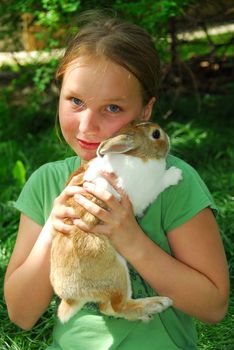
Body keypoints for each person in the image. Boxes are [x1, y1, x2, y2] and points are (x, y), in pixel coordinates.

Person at [4, 10, 229, 350]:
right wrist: (52, 228)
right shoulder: (47, 183)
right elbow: (21, 314)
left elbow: (213, 307)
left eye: (112, 108)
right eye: (76, 101)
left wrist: (130, 239)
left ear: (144, 112)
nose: (86, 126)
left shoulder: (175, 184)